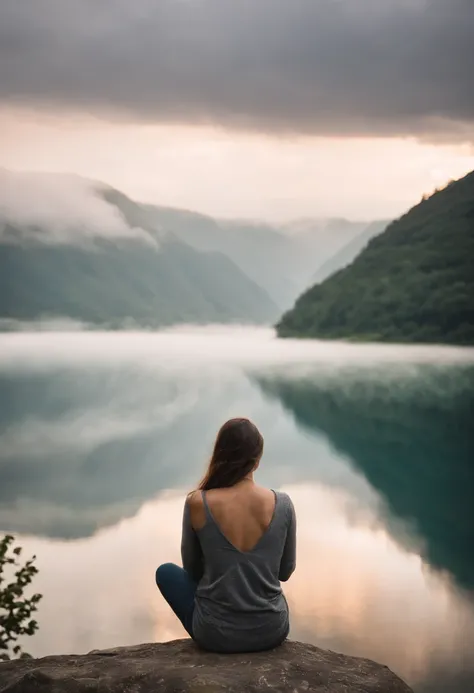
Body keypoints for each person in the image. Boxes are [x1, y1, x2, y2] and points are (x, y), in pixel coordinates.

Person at [155, 417, 296, 653]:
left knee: (166, 573)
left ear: (219, 456)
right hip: (271, 630)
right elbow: (285, 572)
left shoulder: (197, 502)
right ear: (257, 460)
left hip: (215, 634)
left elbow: (192, 571)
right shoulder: (282, 503)